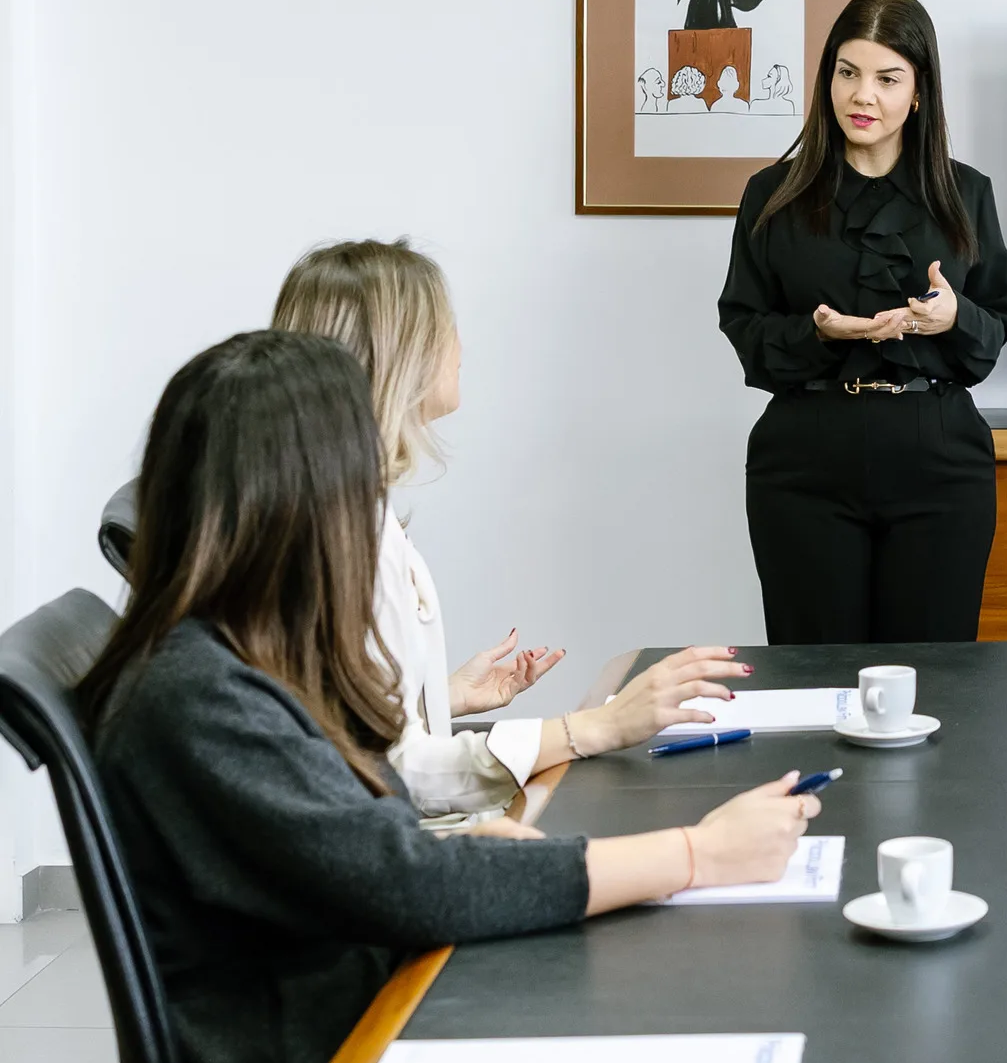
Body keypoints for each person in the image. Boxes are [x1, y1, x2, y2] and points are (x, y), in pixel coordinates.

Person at [82, 329, 819, 1063]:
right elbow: (407, 887)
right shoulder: (197, 699)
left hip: (365, 994)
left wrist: (464, 853)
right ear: (300, 506)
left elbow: (363, 852)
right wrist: (699, 853)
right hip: (338, 1039)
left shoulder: (229, 660)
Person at [274, 239, 756, 819]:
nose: (460, 348)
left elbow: (336, 726)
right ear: (399, 355)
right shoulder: (345, 539)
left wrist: (440, 697)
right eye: (446, 329)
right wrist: (595, 727)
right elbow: (395, 774)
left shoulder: (328, 509)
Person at [720, 0, 1007, 644]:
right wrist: (818, 333)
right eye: (848, 73)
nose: (863, 96)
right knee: (815, 679)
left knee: (934, 686)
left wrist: (953, 319)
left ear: (918, 92)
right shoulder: (772, 197)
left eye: (887, 79)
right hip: (804, 464)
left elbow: (994, 328)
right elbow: (745, 326)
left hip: (940, 461)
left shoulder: (968, 194)